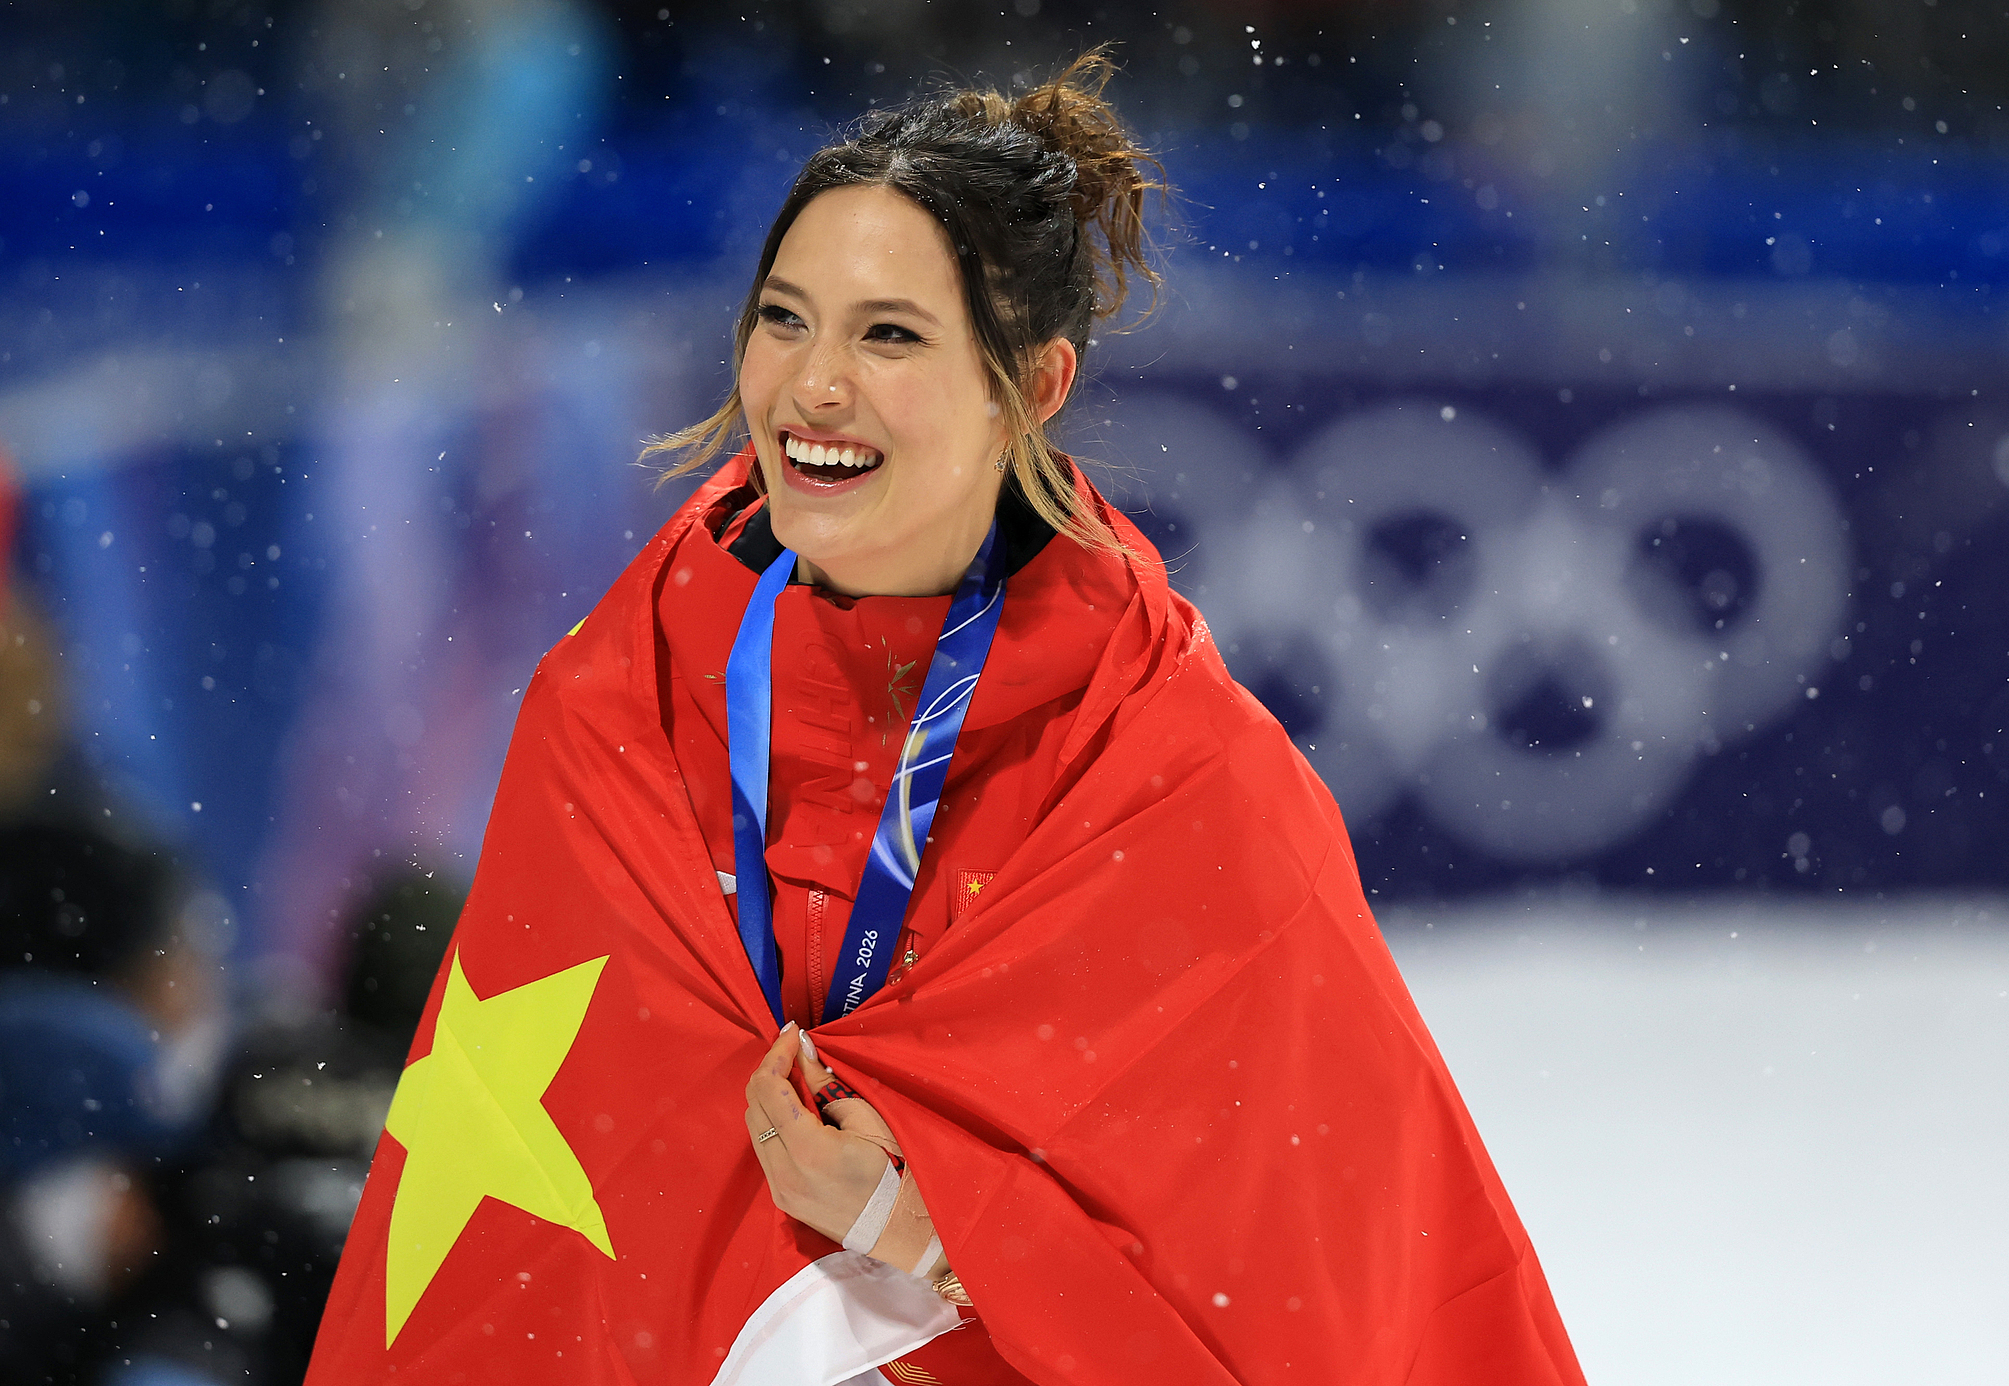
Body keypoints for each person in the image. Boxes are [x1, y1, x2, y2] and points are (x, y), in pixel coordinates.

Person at [307, 53, 1584, 1385]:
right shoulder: (616, 703)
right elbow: (522, 1240)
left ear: (1030, 386)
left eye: (891, 335)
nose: (812, 386)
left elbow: (1323, 1308)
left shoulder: (1182, 781)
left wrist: (927, 1240)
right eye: (785, 318)